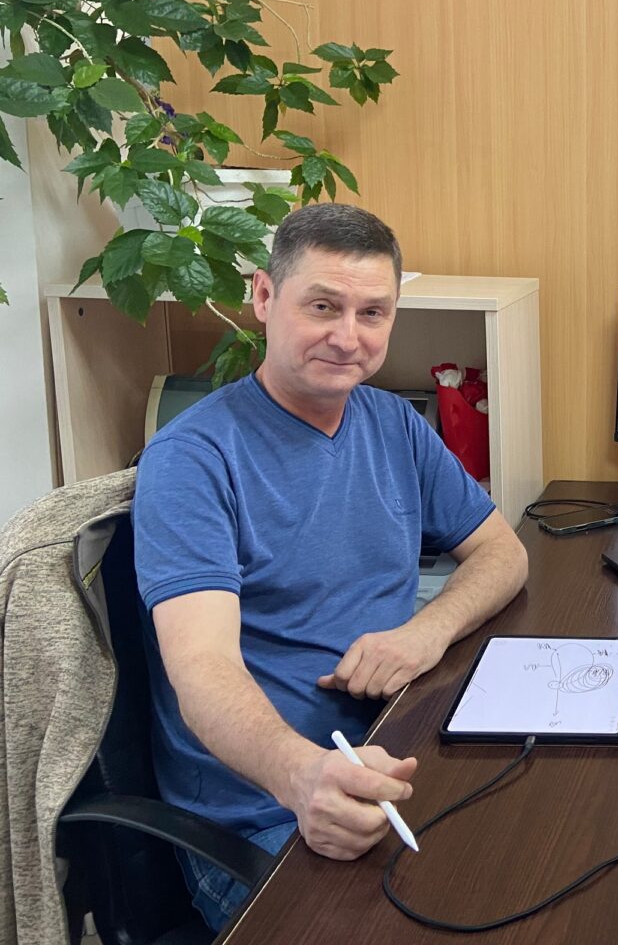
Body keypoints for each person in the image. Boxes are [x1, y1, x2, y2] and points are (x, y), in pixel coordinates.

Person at [134, 204, 529, 930]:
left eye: (372, 313)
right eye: (323, 306)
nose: (348, 337)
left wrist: (425, 632)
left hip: (397, 748)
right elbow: (202, 669)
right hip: (265, 816)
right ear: (263, 296)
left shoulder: (393, 423)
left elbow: (503, 552)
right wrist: (299, 775)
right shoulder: (193, 460)